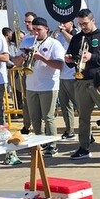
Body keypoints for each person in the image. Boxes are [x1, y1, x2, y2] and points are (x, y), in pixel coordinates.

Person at [65, 9, 100, 160]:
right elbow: (72, 60)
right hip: (81, 81)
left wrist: (92, 56)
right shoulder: (76, 38)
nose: (83, 27)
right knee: (83, 117)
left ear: (93, 20)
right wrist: (69, 60)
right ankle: (84, 147)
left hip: (99, 82)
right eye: (80, 24)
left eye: (85, 23)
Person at [16, 17, 65, 156]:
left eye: (39, 30)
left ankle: (52, 144)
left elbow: (60, 65)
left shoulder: (54, 44)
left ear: (46, 29)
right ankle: (39, 141)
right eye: (34, 29)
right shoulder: (27, 41)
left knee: (48, 117)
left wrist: (41, 57)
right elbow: (16, 62)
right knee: (35, 117)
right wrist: (22, 57)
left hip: (49, 85)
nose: (36, 33)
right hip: (31, 85)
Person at [56, 19, 78, 139]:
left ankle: (88, 133)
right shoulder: (59, 36)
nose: (62, 24)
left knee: (79, 105)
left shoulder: (77, 34)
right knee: (65, 105)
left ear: (72, 23)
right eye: (61, 23)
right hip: (60, 75)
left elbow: (73, 41)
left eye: (65, 22)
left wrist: (63, 31)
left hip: (72, 74)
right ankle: (69, 130)